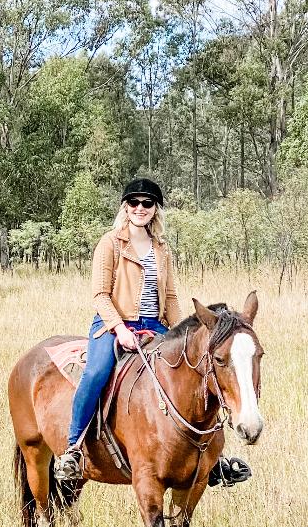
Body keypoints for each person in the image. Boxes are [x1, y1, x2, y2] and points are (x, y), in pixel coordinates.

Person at [55, 176, 252, 488]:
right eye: (134, 202)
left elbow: (170, 297)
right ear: (125, 207)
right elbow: (100, 295)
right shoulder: (110, 243)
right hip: (113, 324)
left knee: (196, 372)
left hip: (155, 325)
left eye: (147, 203)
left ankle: (212, 459)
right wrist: (119, 329)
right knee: (95, 373)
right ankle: (73, 448)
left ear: (155, 209)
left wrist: (183, 334)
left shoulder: (161, 249)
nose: (140, 208)